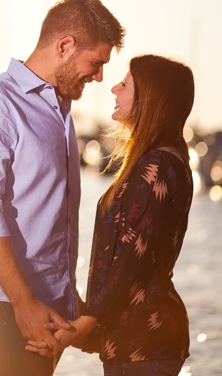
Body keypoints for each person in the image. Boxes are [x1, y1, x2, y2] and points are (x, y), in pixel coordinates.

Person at [0, 0, 125, 376]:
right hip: (10, 305)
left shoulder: (60, 111)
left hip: (49, 305)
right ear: (64, 46)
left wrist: (69, 300)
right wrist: (24, 303)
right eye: (95, 63)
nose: (99, 77)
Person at [27, 54, 195, 376]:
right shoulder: (164, 160)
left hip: (143, 341)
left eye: (126, 83)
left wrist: (79, 328)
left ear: (150, 99)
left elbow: (131, 262)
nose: (114, 89)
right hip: (137, 338)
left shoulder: (157, 166)